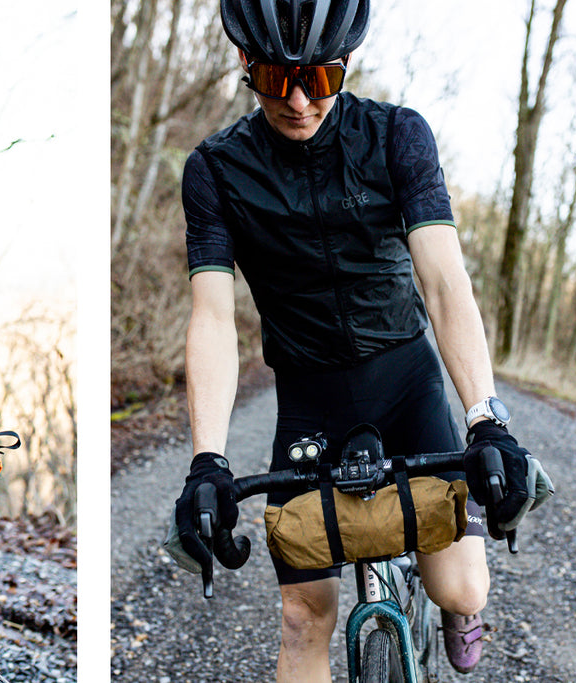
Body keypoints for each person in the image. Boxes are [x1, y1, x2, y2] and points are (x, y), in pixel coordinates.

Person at [166, 1, 547, 680]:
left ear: (347, 66)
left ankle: (457, 609)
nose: (303, 100)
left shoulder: (397, 135)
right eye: (280, 80)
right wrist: (207, 460)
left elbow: (443, 282)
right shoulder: (217, 170)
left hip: (407, 382)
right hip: (310, 400)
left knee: (462, 586)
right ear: (246, 66)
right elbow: (213, 319)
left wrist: (487, 418)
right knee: (302, 617)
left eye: (323, 76)